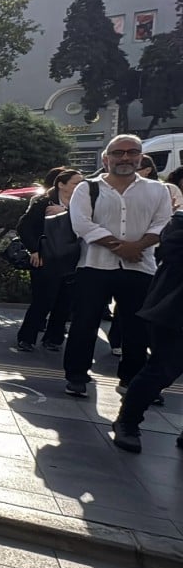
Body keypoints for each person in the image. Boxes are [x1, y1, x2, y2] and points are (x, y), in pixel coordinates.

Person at [62, 134, 173, 398]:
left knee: (137, 328)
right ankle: (77, 376)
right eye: (118, 153)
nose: (125, 157)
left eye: (131, 152)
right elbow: (81, 223)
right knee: (84, 324)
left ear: (140, 157)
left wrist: (138, 246)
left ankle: (132, 378)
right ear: (106, 158)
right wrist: (121, 247)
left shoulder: (157, 190)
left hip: (141, 267)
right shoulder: (87, 188)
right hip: (94, 266)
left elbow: (162, 224)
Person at [112, 208, 183, 452]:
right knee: (161, 370)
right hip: (174, 310)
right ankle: (127, 422)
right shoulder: (180, 221)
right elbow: (170, 251)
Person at [16, 168, 83, 352]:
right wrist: (34, 250)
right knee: (42, 300)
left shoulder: (84, 203)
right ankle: (26, 338)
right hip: (47, 258)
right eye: (75, 183)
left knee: (65, 301)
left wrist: (66, 212)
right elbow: (24, 227)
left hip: (73, 258)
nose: (80, 186)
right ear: (61, 185)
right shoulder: (43, 203)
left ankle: (54, 338)